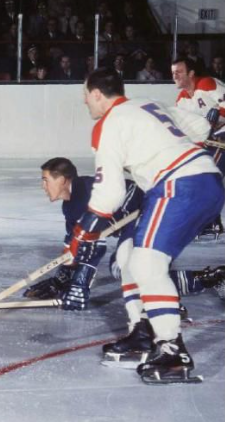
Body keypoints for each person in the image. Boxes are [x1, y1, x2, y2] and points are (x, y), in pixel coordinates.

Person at [76, 68, 224, 384]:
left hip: (179, 185)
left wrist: (84, 229)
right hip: (201, 180)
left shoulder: (108, 124)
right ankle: (142, 332)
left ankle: (171, 350)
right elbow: (198, 127)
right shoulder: (147, 103)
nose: (85, 103)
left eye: (86, 96)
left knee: (147, 263)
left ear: (98, 94)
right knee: (129, 255)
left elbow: (110, 192)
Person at [26, 158, 225, 306]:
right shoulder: (69, 208)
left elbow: (94, 248)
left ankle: (175, 302)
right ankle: (210, 278)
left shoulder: (90, 189)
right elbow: (74, 248)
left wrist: (79, 286)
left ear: (61, 179)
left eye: (45, 180)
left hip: (146, 213)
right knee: (132, 271)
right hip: (132, 223)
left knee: (125, 268)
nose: (43, 186)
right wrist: (61, 281)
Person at [171, 57, 225, 237]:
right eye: (173, 73)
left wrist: (218, 117)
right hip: (212, 141)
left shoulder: (207, 83)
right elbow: (186, 129)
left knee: (209, 175)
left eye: (179, 72)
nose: (175, 76)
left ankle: (210, 221)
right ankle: (211, 221)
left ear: (191, 73)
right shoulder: (182, 100)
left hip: (223, 137)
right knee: (200, 175)